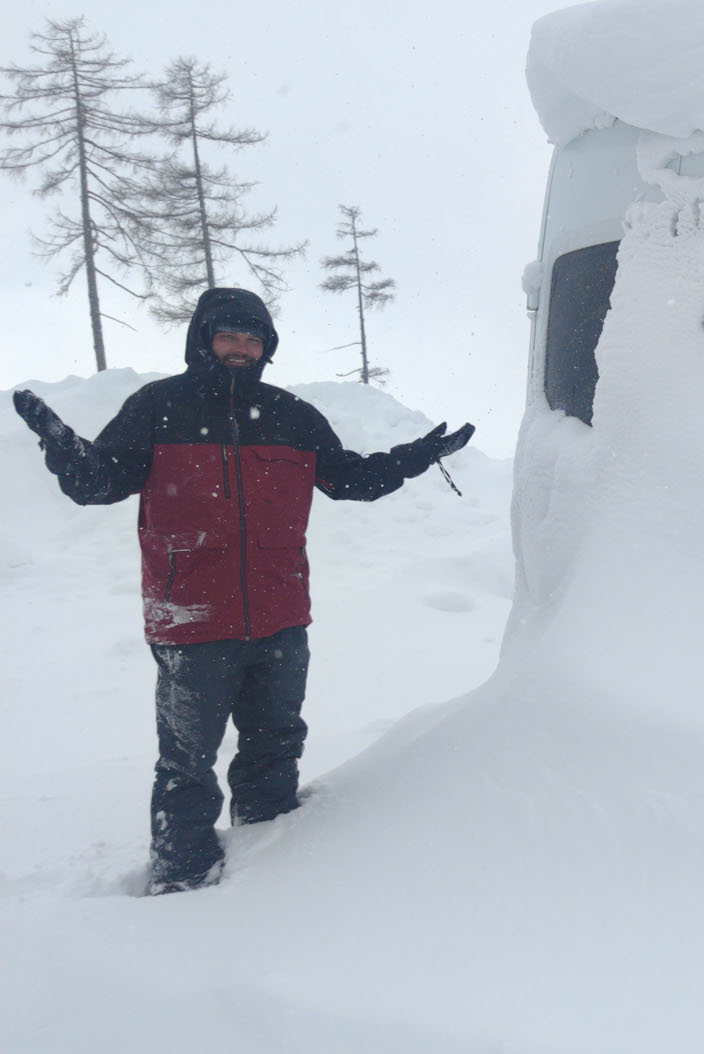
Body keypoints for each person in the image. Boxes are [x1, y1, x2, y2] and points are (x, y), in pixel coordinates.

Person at [12, 286, 473, 894]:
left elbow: (351, 479)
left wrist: (413, 457)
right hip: (191, 617)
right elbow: (99, 483)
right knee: (187, 764)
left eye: (253, 338)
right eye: (229, 335)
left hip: (281, 616)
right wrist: (67, 451)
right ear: (203, 338)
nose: (240, 348)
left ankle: (269, 862)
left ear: (267, 348)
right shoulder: (158, 407)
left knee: (275, 744)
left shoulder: (293, 416)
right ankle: (181, 878)